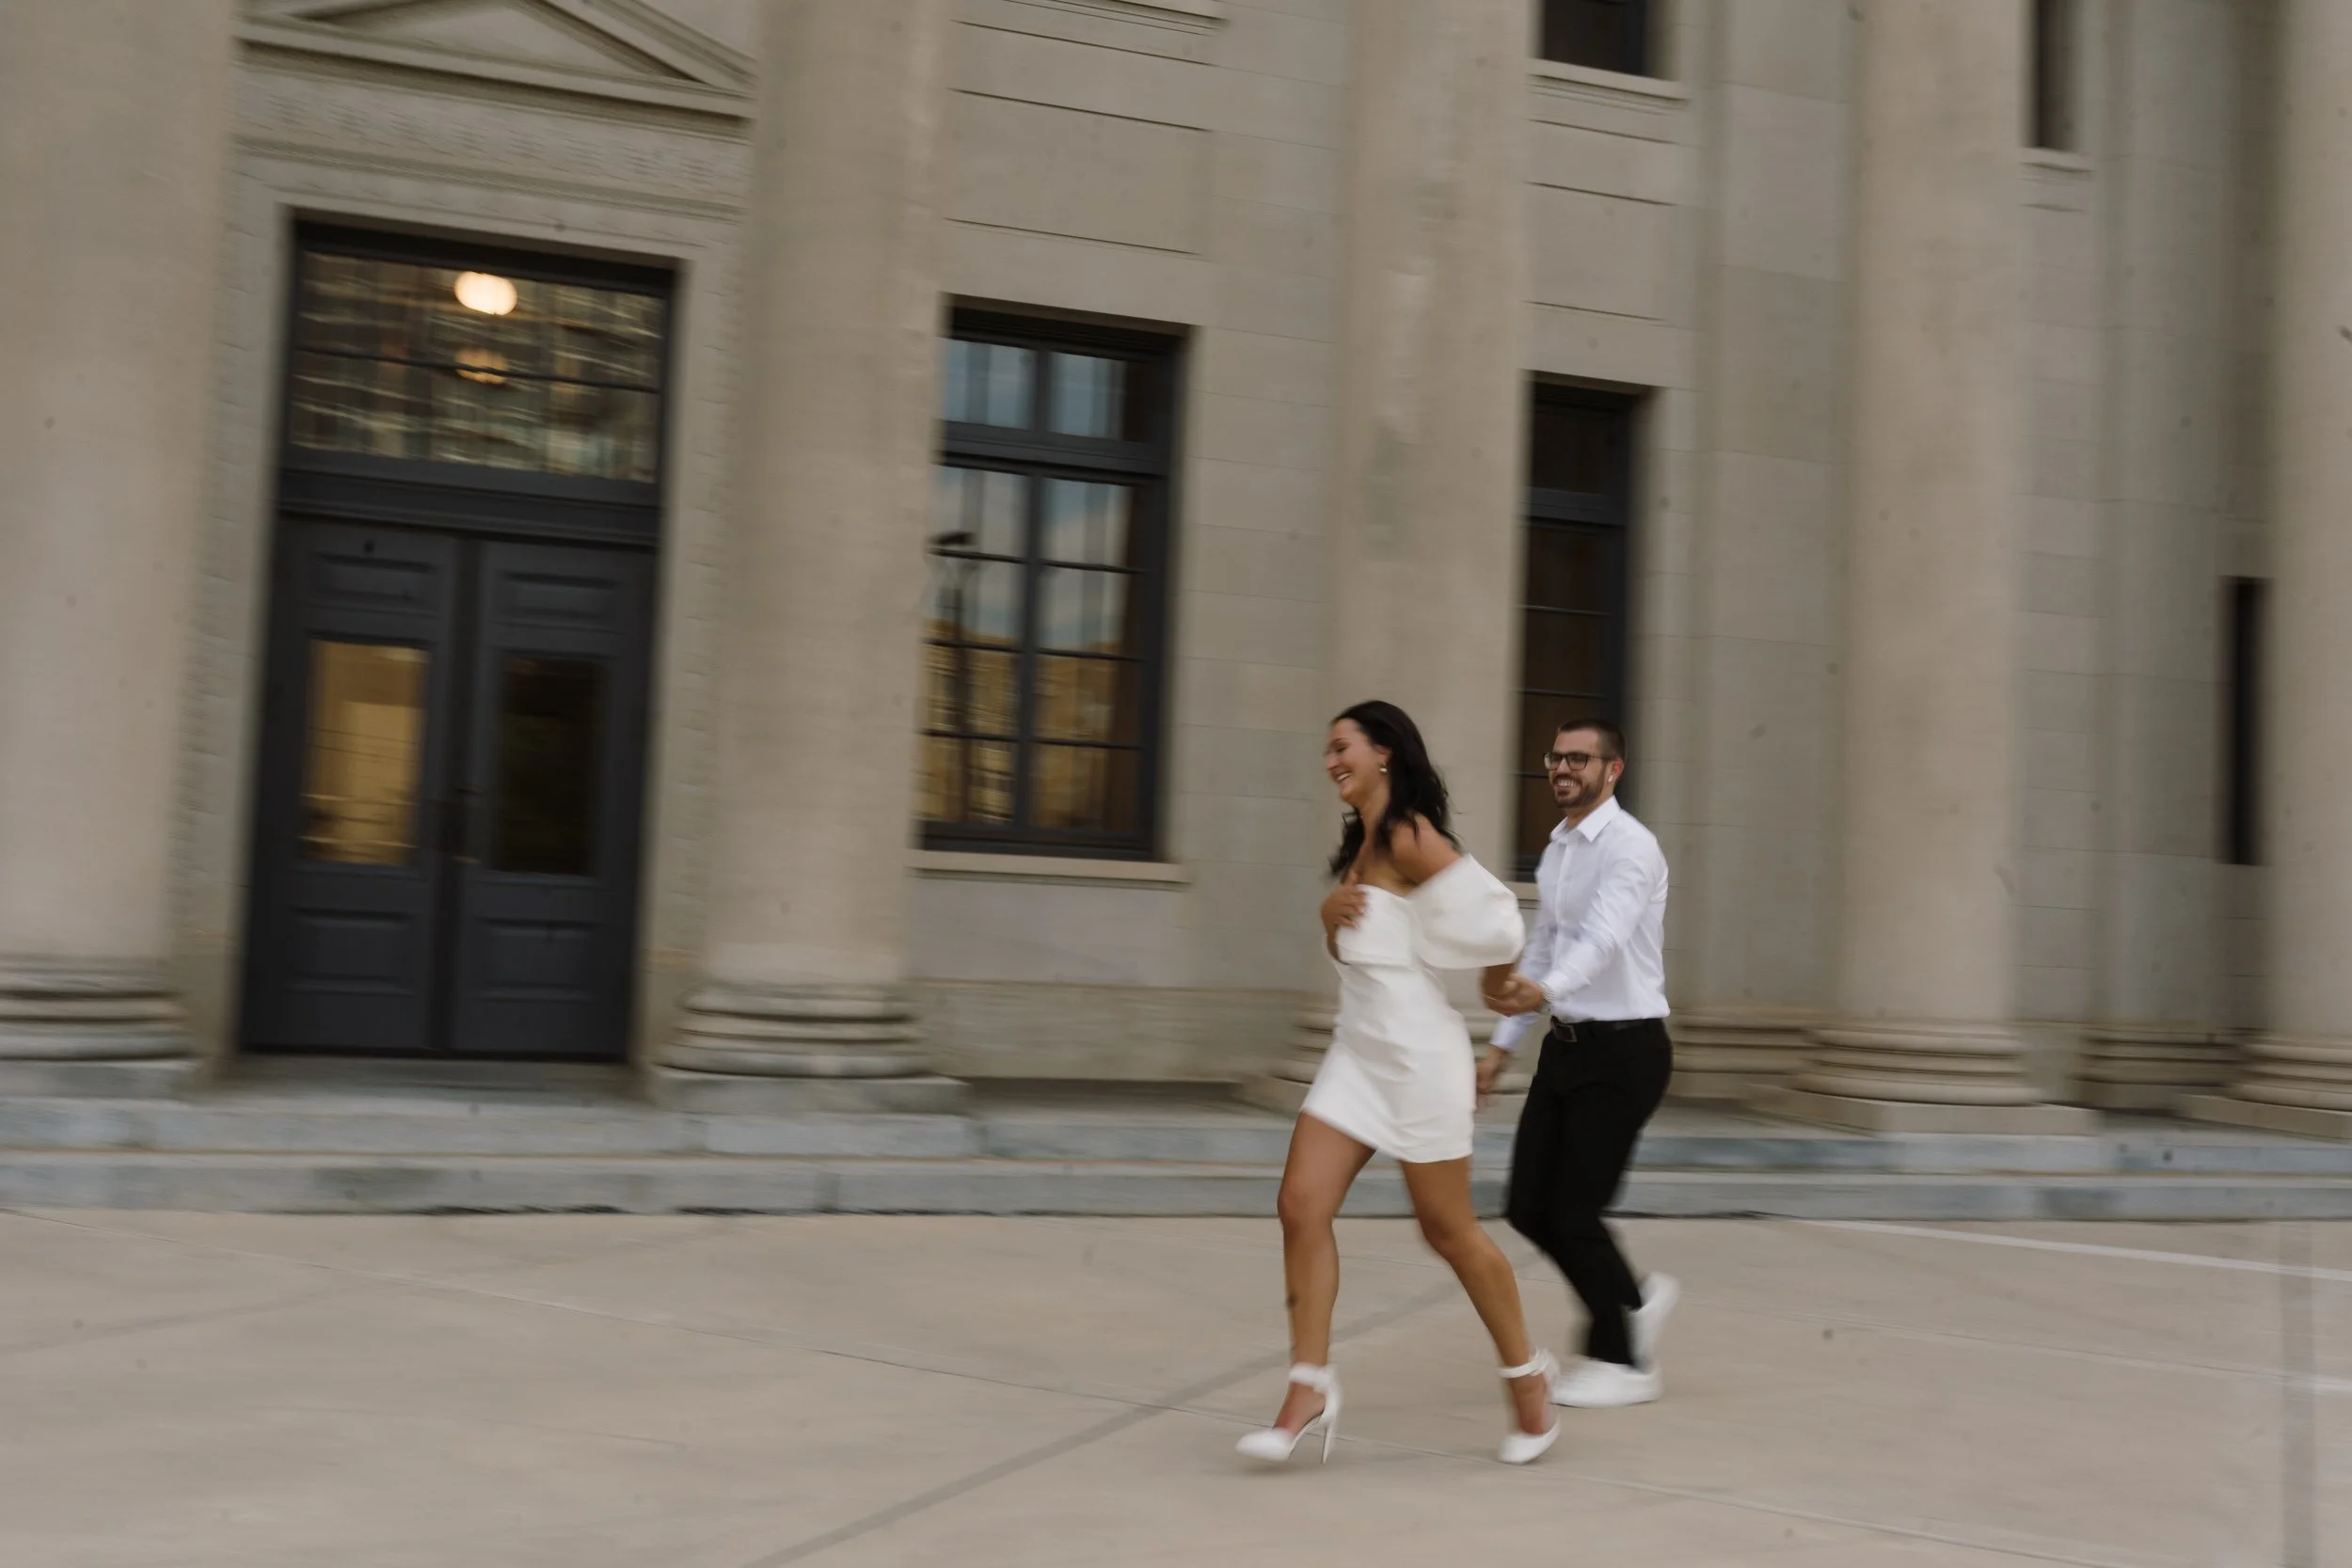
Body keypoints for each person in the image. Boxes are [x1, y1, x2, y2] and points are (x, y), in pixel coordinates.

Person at [1237, 701, 1560, 1467]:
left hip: (1419, 1058)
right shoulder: (1361, 845)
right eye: (1327, 749)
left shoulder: (1412, 834)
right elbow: (1362, 949)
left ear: (1385, 752)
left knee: (1447, 1231)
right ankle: (1308, 1385)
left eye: (1341, 746)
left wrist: (1496, 982)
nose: (1331, 761)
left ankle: (1527, 1377)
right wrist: (1326, 915)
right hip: (1358, 1053)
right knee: (1299, 1205)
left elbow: (1497, 921)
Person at [1477, 716, 1677, 1408]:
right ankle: (1631, 1296)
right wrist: (1502, 1044)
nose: (1563, 768)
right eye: (1556, 756)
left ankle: (1625, 1360)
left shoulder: (1632, 848)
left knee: (1574, 1210)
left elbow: (1603, 939)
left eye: (1580, 759)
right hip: (1565, 1048)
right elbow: (1544, 944)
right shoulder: (1559, 846)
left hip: (1626, 1050)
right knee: (1528, 1205)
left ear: (1612, 770)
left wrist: (1548, 987)